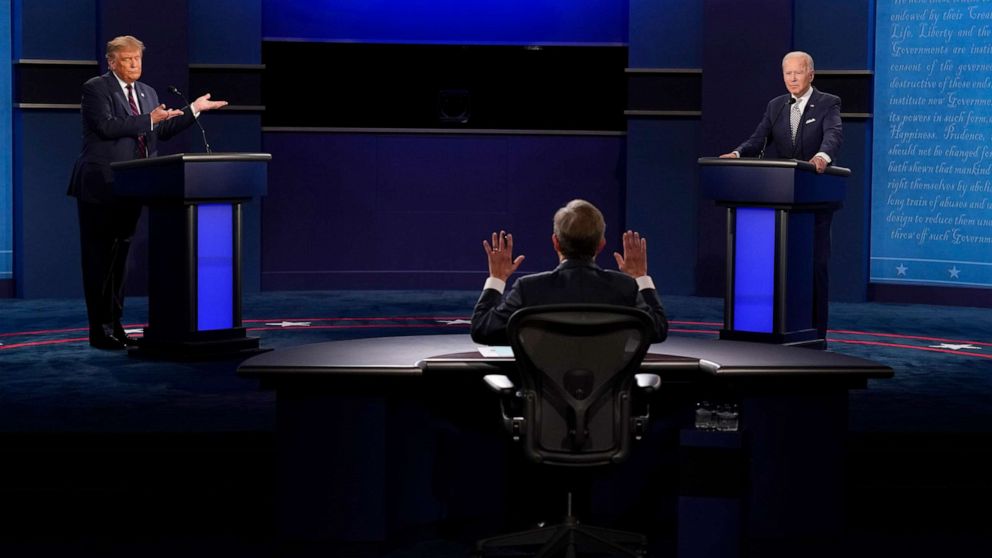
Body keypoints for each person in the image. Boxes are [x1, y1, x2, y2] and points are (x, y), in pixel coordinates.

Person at [67, 35, 228, 350]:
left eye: (137, 58)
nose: (133, 64)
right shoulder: (96, 88)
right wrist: (148, 119)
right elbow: (107, 127)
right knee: (100, 261)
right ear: (112, 62)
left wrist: (192, 110)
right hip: (101, 185)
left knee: (120, 261)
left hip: (133, 186)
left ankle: (116, 325)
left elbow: (161, 130)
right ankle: (99, 332)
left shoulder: (147, 92)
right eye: (127, 59)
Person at [719, 51, 843, 340]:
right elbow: (758, 139)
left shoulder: (828, 103)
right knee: (779, 268)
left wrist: (823, 156)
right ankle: (778, 328)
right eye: (787, 73)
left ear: (811, 74)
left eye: (798, 72)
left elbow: (833, 135)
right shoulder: (775, 106)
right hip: (780, 199)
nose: (793, 78)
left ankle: (816, 332)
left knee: (814, 267)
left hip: (814, 198)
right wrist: (737, 154)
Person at [470, 199, 668, 346]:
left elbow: (482, 330)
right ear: (601, 245)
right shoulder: (624, 287)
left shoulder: (530, 288)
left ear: (555, 242)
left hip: (542, 398)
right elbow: (658, 330)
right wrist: (640, 277)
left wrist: (497, 279)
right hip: (609, 398)